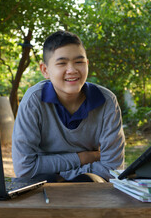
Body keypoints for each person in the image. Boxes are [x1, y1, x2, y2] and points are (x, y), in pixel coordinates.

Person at [12, 30, 125, 182]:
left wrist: (61, 176)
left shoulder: (107, 101)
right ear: (45, 70)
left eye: (79, 62)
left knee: (89, 180)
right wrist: (83, 157)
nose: (72, 70)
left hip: (89, 189)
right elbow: (24, 169)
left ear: (87, 64)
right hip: (44, 190)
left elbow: (113, 170)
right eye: (62, 63)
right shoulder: (34, 101)